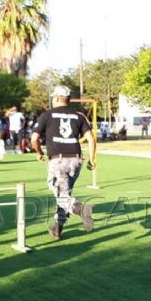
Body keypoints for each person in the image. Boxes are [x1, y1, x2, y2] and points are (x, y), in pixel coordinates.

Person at [30, 85, 96, 241]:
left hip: (58, 161)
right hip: (76, 160)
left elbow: (34, 139)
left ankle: (80, 209)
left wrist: (39, 153)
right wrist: (92, 159)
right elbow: (91, 138)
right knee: (64, 193)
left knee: (58, 190)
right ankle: (57, 229)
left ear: (58, 98)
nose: (52, 100)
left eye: (54, 97)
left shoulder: (47, 115)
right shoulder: (79, 116)